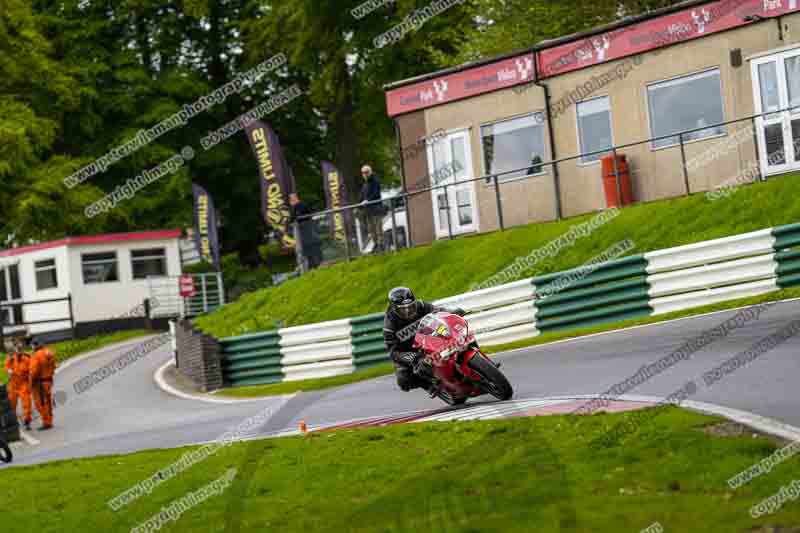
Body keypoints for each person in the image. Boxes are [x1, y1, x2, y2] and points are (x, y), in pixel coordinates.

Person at [383, 287, 465, 393]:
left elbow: (439, 311)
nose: (408, 312)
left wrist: (452, 312)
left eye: (411, 307)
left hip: (428, 338)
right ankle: (429, 385)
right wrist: (413, 357)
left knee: (459, 337)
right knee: (403, 380)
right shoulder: (389, 326)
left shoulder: (421, 305)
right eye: (403, 309)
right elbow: (393, 352)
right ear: (394, 308)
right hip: (409, 350)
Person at [289, 193, 323, 270]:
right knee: (306, 247)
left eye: (292, 198)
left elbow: (294, 217)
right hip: (304, 230)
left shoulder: (301, 205)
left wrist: (294, 207)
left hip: (307, 229)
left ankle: (316, 263)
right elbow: (292, 218)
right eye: (291, 199)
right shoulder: (296, 207)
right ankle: (312, 264)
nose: (291, 200)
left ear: (296, 198)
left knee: (310, 246)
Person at [4, 338, 32, 430]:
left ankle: (27, 421)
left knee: (26, 403)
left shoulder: (27, 358)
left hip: (23, 384)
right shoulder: (10, 358)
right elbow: (6, 366)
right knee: (11, 404)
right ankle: (14, 421)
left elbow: (32, 369)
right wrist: (8, 370)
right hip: (13, 384)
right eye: (17, 348)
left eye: (20, 348)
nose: (18, 350)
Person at [29, 338, 56, 431]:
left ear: (35, 345)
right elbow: (54, 366)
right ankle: (50, 420)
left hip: (39, 383)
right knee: (48, 402)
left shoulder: (36, 355)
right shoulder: (49, 352)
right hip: (49, 381)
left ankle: (46, 422)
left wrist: (31, 383)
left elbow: (34, 371)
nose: (31, 347)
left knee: (41, 403)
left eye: (32, 345)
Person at [360, 165, 385, 253]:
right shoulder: (364, 185)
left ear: (370, 172)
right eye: (363, 173)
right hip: (368, 211)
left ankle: (381, 245)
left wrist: (368, 200)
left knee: (378, 228)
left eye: (366, 172)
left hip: (376, 209)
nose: (365, 174)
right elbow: (361, 197)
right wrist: (359, 205)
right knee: (371, 229)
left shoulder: (375, 181)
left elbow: (376, 194)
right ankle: (376, 245)